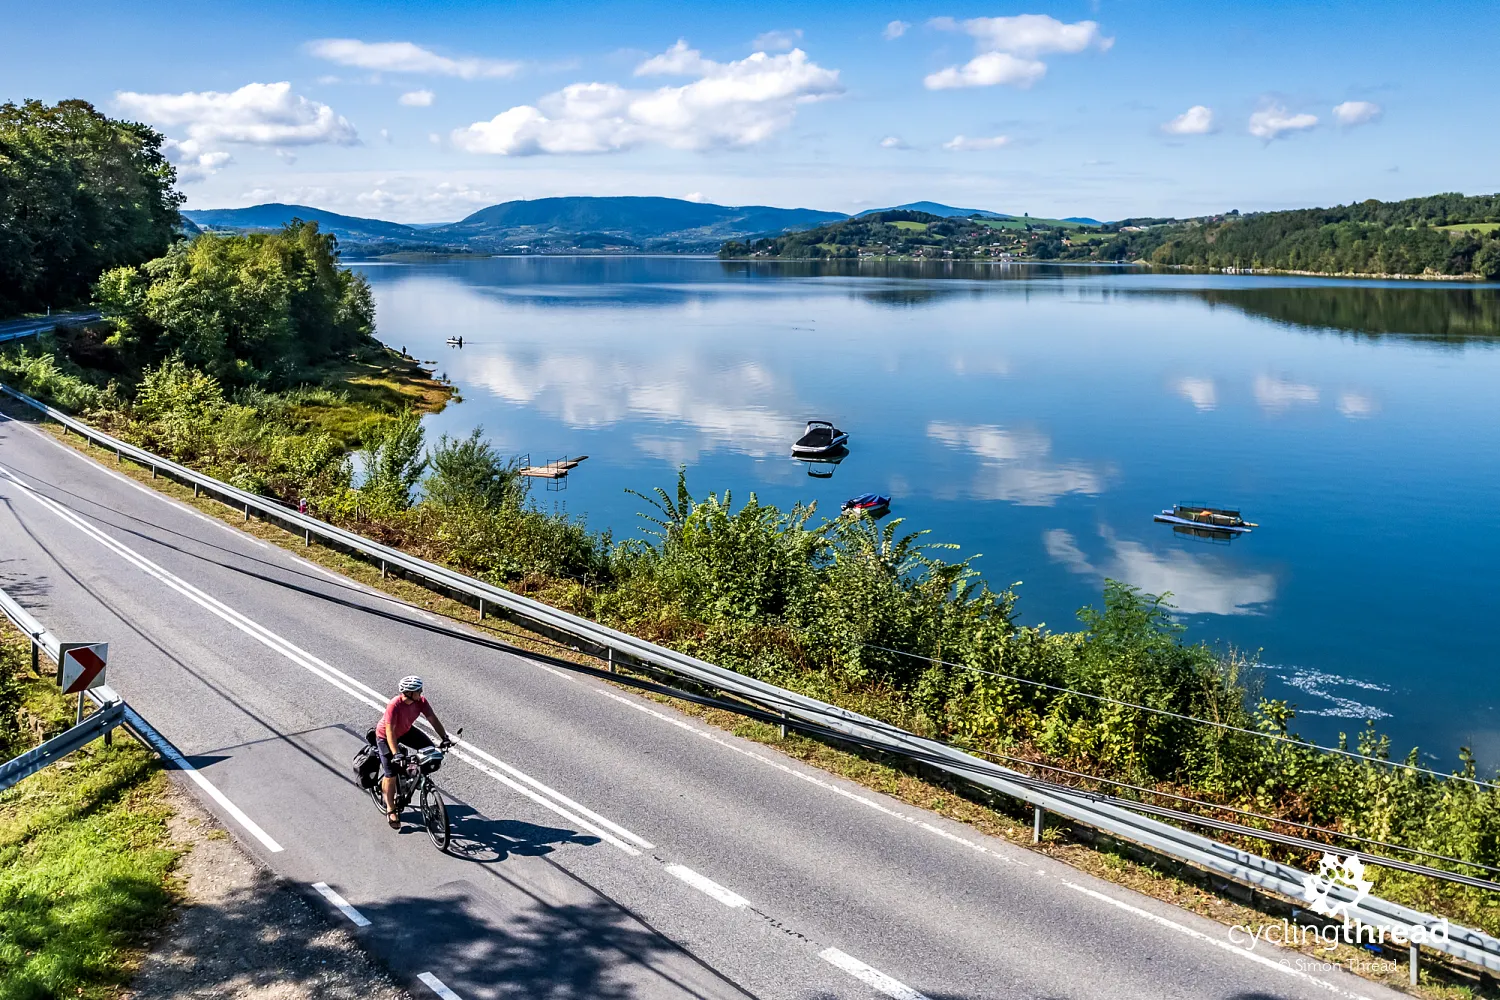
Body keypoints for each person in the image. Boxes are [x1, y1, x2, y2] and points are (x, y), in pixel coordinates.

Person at [376, 676, 451, 829]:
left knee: (429, 749)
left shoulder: (421, 702)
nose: (421, 692)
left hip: (405, 731)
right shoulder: (394, 705)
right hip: (385, 736)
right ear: (409, 693)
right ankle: (391, 809)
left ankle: (416, 778)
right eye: (418, 690)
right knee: (390, 773)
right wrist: (396, 753)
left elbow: (433, 719)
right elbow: (390, 731)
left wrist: (444, 737)